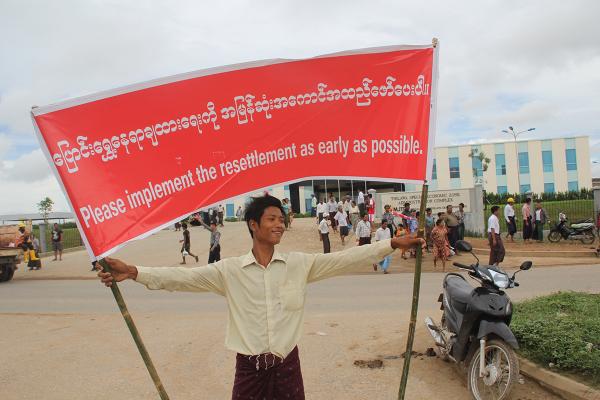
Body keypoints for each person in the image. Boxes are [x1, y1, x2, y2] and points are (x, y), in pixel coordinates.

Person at [96, 195, 424, 399]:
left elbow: (342, 260)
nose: (279, 225)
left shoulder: (299, 264)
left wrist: (390, 245)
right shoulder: (230, 271)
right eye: (272, 219)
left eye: (281, 220)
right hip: (249, 370)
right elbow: (181, 278)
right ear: (254, 225)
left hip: (287, 366)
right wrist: (134, 271)